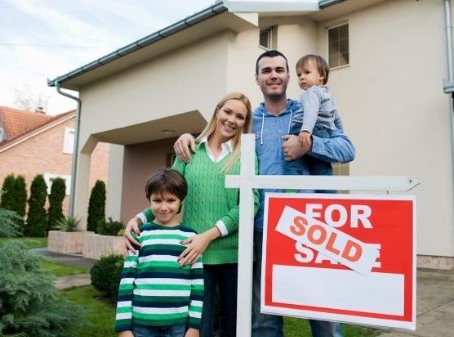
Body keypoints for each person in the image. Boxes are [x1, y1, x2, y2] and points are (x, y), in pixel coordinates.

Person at [172, 50, 355, 337]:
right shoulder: (248, 122)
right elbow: (214, 142)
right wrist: (186, 137)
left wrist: (308, 145)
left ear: (288, 76)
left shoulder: (311, 111)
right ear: (257, 78)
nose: (273, 75)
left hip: (310, 229)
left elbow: (347, 149)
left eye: (279, 69)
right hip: (260, 230)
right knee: (262, 320)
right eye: (266, 70)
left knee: (324, 316)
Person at [124, 92, 260, 337]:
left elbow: (251, 204)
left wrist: (207, 236)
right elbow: (167, 194)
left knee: (235, 328)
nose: (232, 120)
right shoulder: (189, 151)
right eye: (227, 112)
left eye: (240, 116)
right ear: (217, 111)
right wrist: (139, 219)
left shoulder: (246, 156)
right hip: (193, 255)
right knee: (199, 328)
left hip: (235, 255)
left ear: (245, 122)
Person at [115, 168, 203, 337]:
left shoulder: (192, 238)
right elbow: (126, 283)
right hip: (141, 326)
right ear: (149, 200)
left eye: (171, 200)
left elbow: (197, 286)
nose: (164, 207)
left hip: (179, 326)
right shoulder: (138, 236)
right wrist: (124, 328)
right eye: (157, 200)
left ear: (181, 201)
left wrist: (194, 326)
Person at [285, 54, 344, 180]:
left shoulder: (312, 92)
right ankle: (328, 193)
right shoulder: (327, 94)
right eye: (299, 75)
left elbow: (311, 112)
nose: (302, 77)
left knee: (293, 160)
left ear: (321, 75)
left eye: (307, 72)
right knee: (321, 168)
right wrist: (339, 133)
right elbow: (336, 116)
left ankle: (290, 188)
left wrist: (305, 130)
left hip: (305, 130)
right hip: (323, 132)